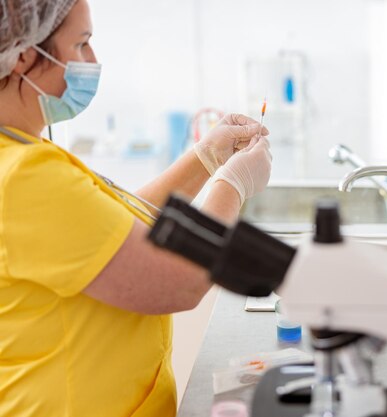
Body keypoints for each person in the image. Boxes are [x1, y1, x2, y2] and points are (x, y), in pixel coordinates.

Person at [0, 0, 273, 415]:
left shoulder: (22, 150)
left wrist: (205, 158)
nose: (93, 61)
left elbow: (114, 230)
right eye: (82, 44)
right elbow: (183, 281)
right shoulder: (24, 177)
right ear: (22, 55)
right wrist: (232, 184)